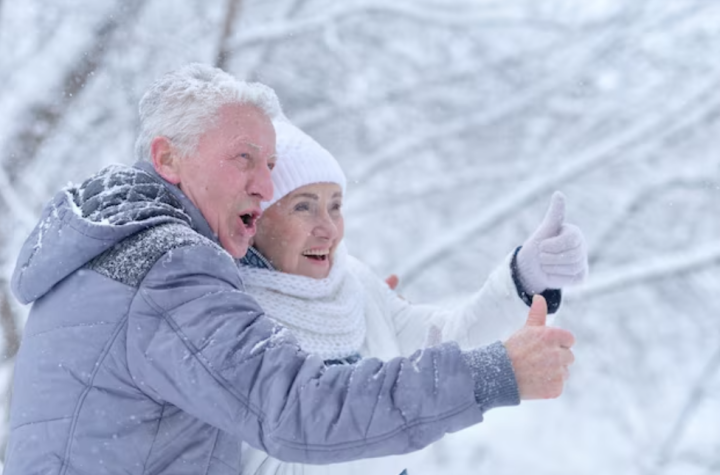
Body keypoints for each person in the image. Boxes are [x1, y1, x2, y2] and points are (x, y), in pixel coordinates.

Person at [4, 64, 576, 475]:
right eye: (243, 158)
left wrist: (519, 283)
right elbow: (300, 410)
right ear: (167, 159)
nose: (261, 180)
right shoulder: (168, 270)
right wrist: (494, 375)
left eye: (270, 163)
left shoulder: (118, 248)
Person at [236, 119, 589, 474]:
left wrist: (524, 281)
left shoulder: (352, 282)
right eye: (303, 206)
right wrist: (411, 422)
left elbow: (447, 344)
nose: (328, 228)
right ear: (256, 220)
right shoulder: (236, 318)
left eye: (335, 206)